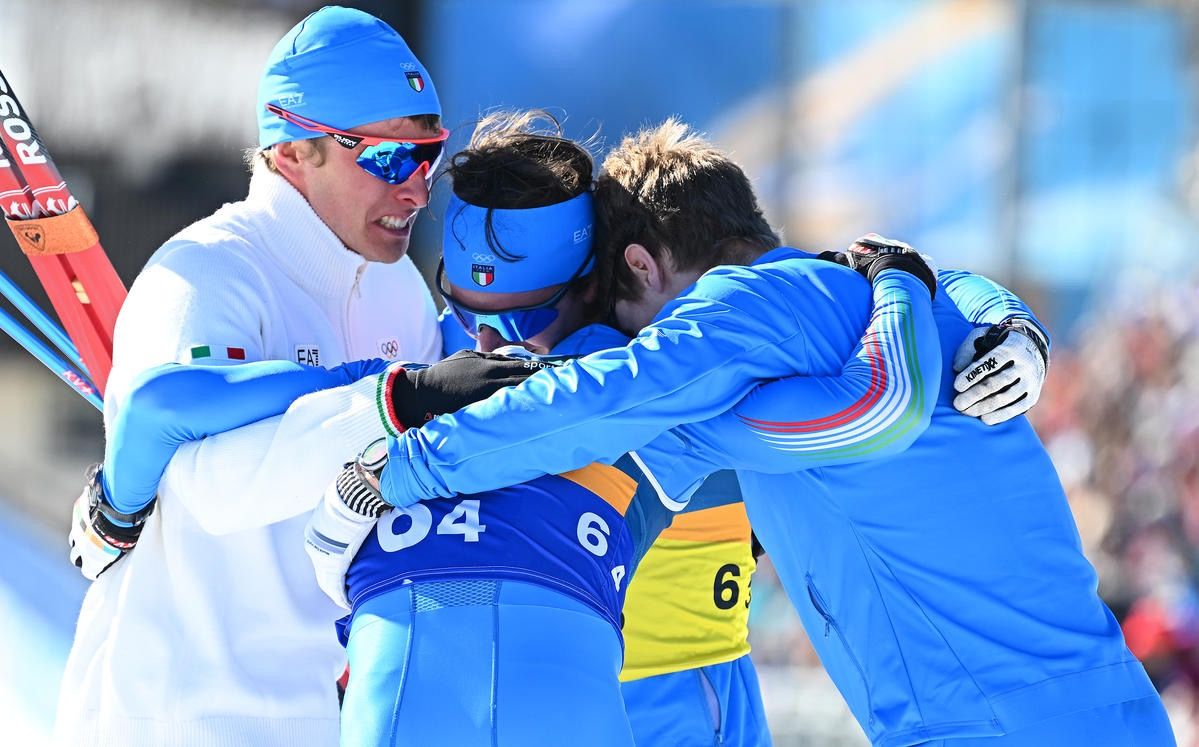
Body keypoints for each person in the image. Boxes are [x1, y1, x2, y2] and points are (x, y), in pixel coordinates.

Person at [87, 112, 944, 746]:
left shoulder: (651, 371)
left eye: (524, 315)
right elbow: (177, 407)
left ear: (596, 282)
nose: (492, 343)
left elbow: (856, 393)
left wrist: (948, 307)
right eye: (466, 311)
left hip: (673, 695)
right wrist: (116, 502)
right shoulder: (434, 364)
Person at [374, 120, 1175, 746]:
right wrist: (972, 301)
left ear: (641, 268)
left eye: (622, 316)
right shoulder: (859, 304)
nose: (636, 342)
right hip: (1100, 704)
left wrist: (400, 463)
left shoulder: (742, 305)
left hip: (978, 722)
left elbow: (610, 395)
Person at [56, 7, 446, 746]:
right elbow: (216, 491)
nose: (417, 190)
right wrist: (375, 399)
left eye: (429, 155)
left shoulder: (401, 292)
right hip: (170, 716)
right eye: (391, 158)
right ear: (295, 151)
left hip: (322, 715)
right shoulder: (205, 275)